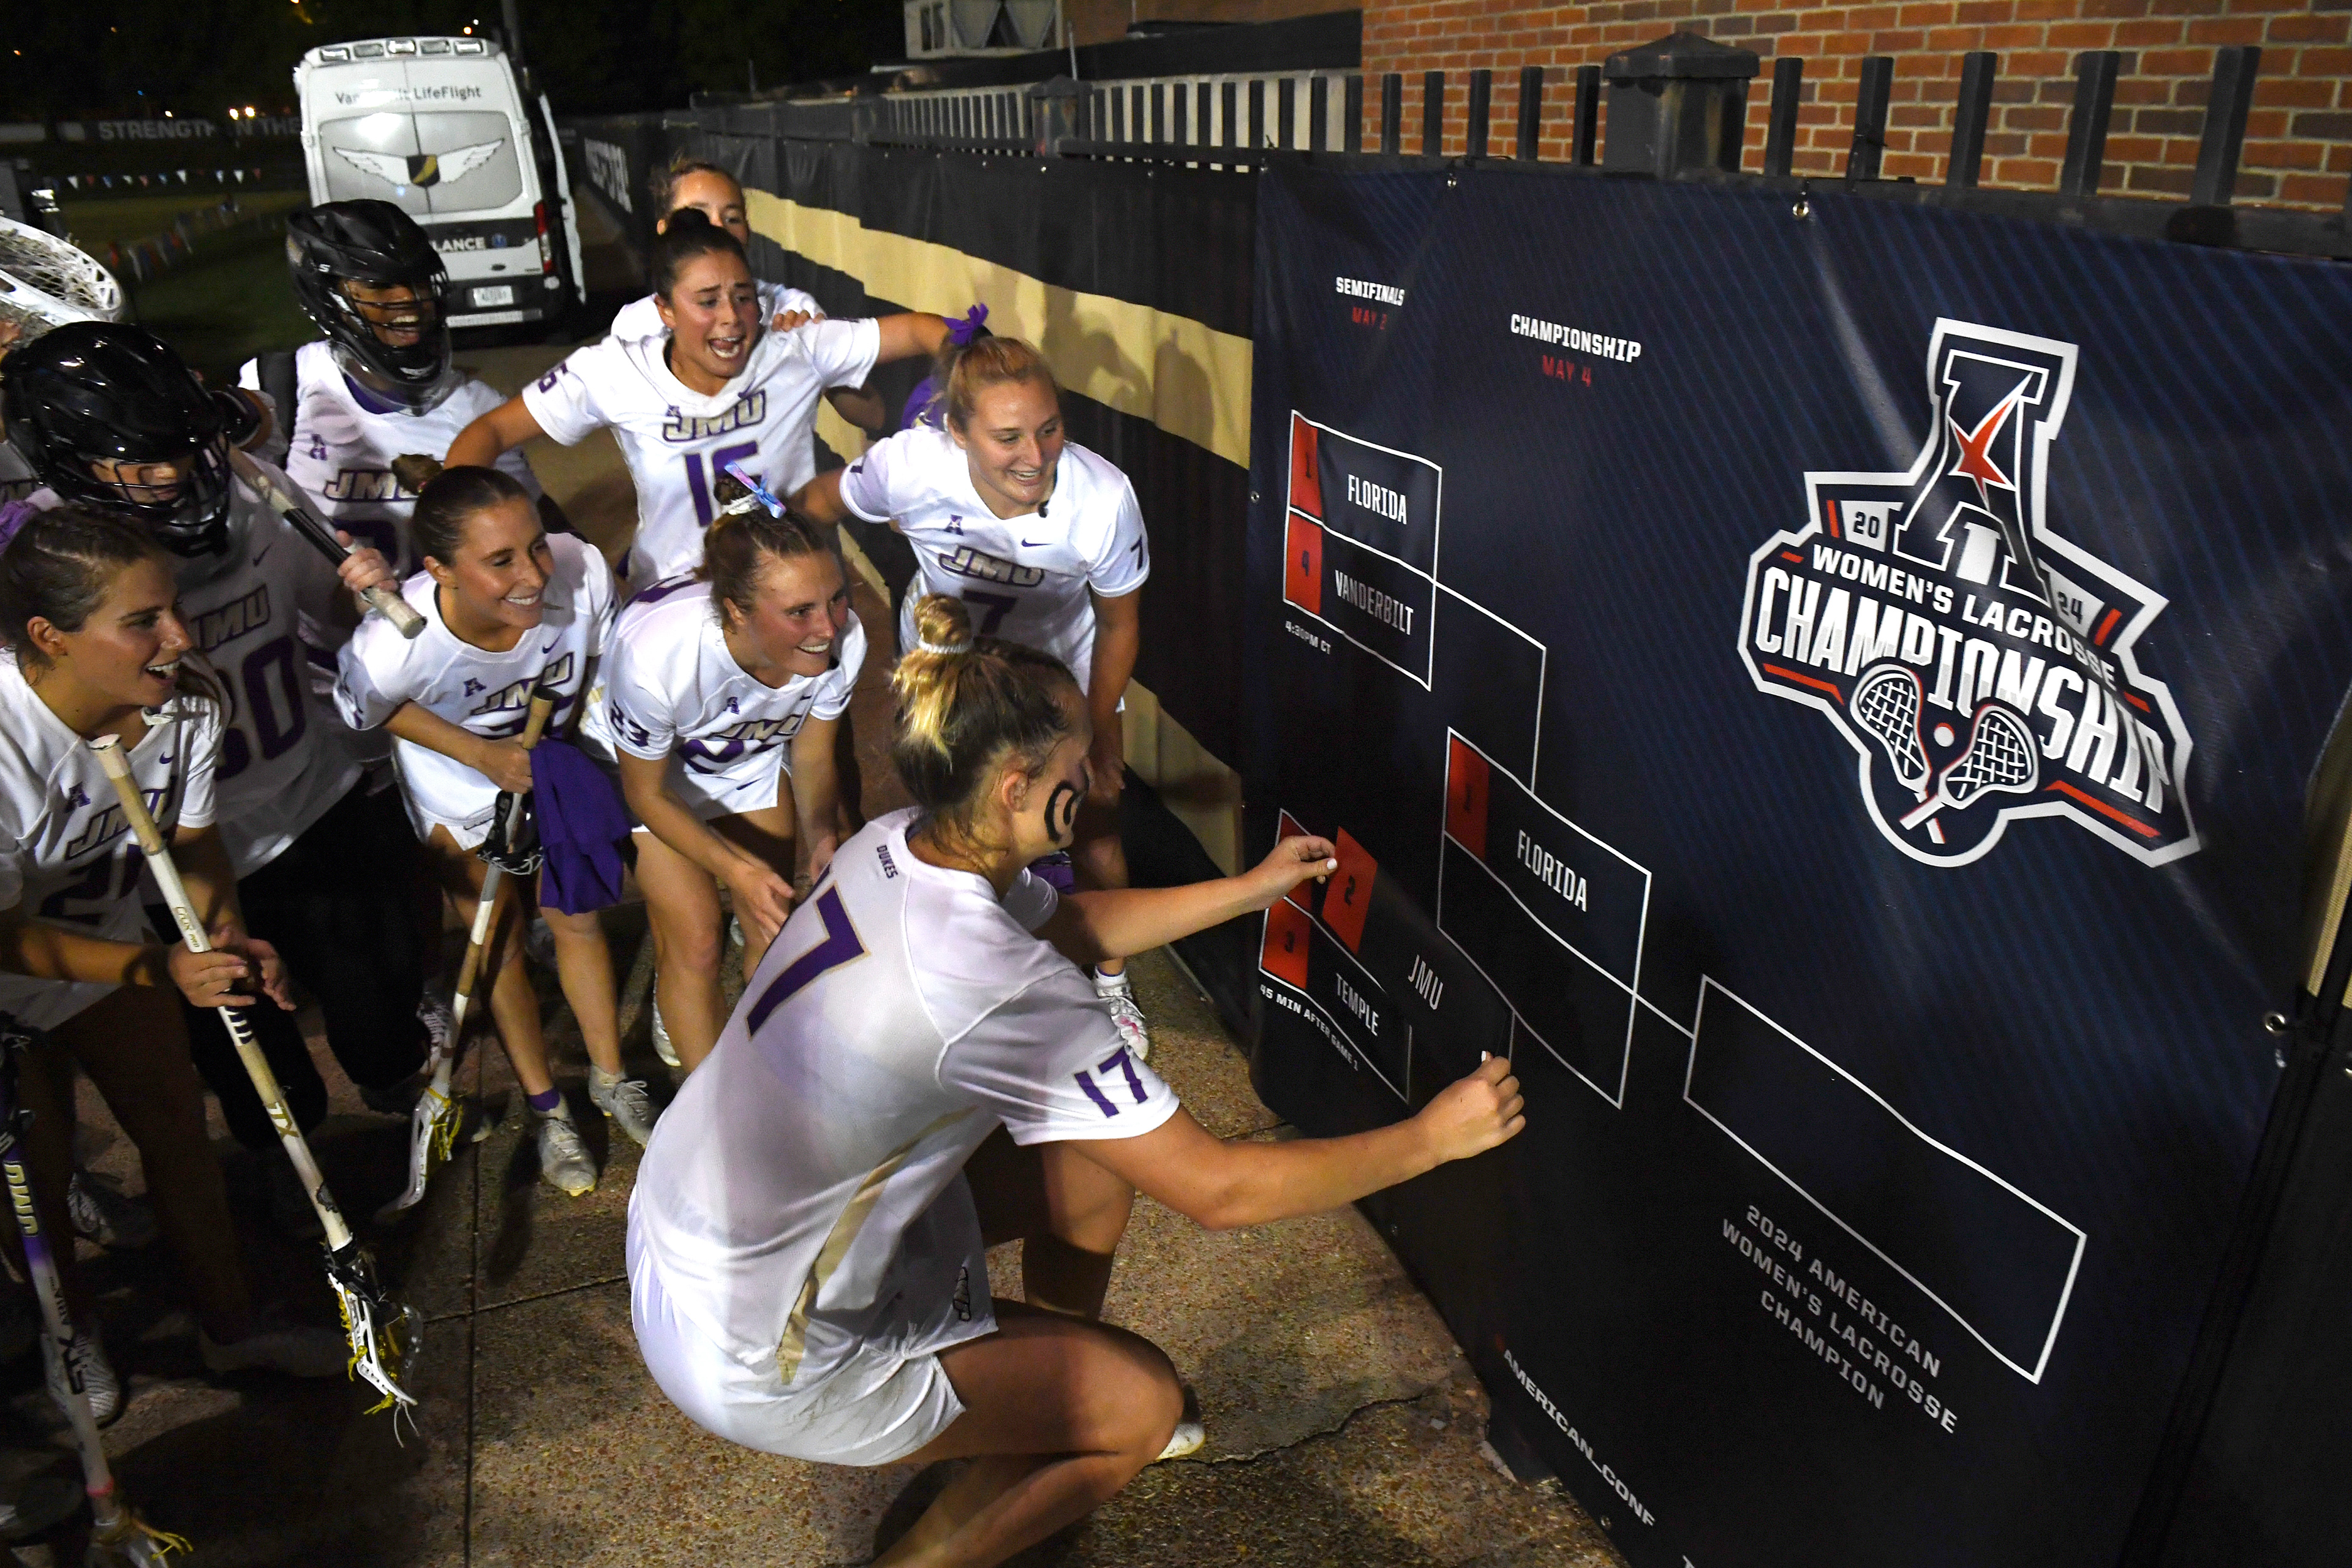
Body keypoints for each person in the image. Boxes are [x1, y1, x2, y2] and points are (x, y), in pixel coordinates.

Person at [627, 595, 1524, 1567]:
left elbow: (1068, 924)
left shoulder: (892, 842)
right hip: (756, 1345)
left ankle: (1035, 1406)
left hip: (686, 1236)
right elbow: (1219, 1191)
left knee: (1094, 1173)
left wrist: (1250, 889)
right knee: (1142, 1406)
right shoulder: (994, 979)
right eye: (1077, 767)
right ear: (1016, 788)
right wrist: (1432, 1140)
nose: (1096, 782)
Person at [2, 323, 436, 1236]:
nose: (173, 472)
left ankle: (397, 1087)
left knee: (380, 1000)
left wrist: (360, 593)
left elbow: (325, 619)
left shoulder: (249, 492)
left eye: (180, 445)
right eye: (141, 458)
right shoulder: (45, 560)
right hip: (167, 841)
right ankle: (285, 1160)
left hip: (305, 794)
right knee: (247, 1048)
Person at [0, 505, 361, 1423]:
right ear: (49, 636)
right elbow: (3, 938)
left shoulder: (186, 698)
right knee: (32, 1176)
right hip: (15, 978)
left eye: (174, 608)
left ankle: (229, 1324)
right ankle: (68, 1333)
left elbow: (193, 843)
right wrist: (158, 969)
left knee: (177, 1135)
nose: (181, 638)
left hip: (119, 948)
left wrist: (219, 931)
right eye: (144, 621)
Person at [790, 337, 1155, 1053]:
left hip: (1056, 680)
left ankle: (1112, 981)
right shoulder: (910, 465)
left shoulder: (1103, 497)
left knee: (1096, 828)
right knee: (946, 825)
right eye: (1008, 437)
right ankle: (953, 974)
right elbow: (819, 502)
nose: (1036, 456)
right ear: (956, 432)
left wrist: (1103, 731)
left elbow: (1120, 623)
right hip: (950, 673)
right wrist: (812, 600)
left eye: (1049, 428)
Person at [334, 466, 655, 1193]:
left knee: (577, 919)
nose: (533, 574)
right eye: (500, 560)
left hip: (550, 765)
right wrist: (479, 754)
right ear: (440, 569)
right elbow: (367, 711)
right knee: (499, 943)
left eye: (536, 545)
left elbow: (605, 660)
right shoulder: (393, 642)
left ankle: (610, 1078)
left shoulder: (579, 570)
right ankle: (547, 1108)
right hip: (458, 790)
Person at [446, 212, 952, 592]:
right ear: (664, 310)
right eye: (707, 301)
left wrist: (967, 388)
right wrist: (465, 534)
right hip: (677, 597)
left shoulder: (793, 348)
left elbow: (925, 330)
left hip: (791, 591)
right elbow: (487, 432)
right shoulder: (615, 371)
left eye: (743, 296)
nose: (731, 316)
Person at [593, 510, 861, 1072]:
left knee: (775, 925)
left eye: (836, 599)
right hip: (653, 776)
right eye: (800, 612)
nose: (828, 628)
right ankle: (705, 1103)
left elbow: (812, 755)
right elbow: (646, 794)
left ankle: (770, 1073)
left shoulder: (845, 641)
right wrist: (736, 870)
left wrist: (821, 837)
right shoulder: (654, 654)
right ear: (737, 610)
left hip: (746, 759)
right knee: (697, 939)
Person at [238, 200, 561, 573]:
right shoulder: (279, 387)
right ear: (327, 296)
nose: (408, 298)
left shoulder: (480, 411)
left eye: (417, 281)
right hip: (321, 612)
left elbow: (538, 538)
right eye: (379, 286)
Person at [606, 157, 888, 438]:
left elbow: (873, 415)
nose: (718, 228)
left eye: (732, 218)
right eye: (698, 217)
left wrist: (817, 356)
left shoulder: (791, 310)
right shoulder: (634, 326)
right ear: (665, 231)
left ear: (748, 233)